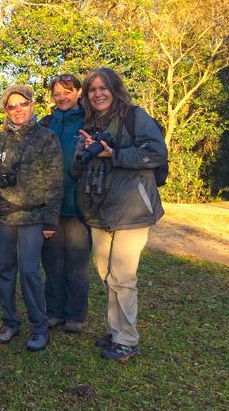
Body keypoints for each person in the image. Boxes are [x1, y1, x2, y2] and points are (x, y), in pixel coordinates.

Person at [71, 66, 167, 362]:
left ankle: (127, 340)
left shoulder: (134, 116)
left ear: (114, 89)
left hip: (132, 208)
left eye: (103, 88)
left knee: (123, 277)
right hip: (100, 208)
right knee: (106, 273)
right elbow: (75, 170)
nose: (98, 94)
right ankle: (116, 331)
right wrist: (84, 151)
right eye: (92, 89)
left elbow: (157, 153)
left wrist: (115, 154)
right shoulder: (89, 124)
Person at [0, 85, 64, 351]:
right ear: (6, 111)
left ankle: (39, 326)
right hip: (2, 217)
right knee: (4, 270)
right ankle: (9, 321)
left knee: (30, 272)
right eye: (11, 106)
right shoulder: (0, 139)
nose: (18, 110)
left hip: (33, 217)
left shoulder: (47, 138)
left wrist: (51, 219)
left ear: (32, 105)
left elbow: (56, 181)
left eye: (22, 104)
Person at [40, 74, 90, 334]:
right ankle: (54, 311)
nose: (62, 97)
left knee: (77, 263)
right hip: (49, 206)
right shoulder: (46, 123)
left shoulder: (89, 121)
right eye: (57, 93)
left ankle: (75, 315)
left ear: (78, 92)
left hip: (78, 205)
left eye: (67, 92)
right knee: (52, 262)